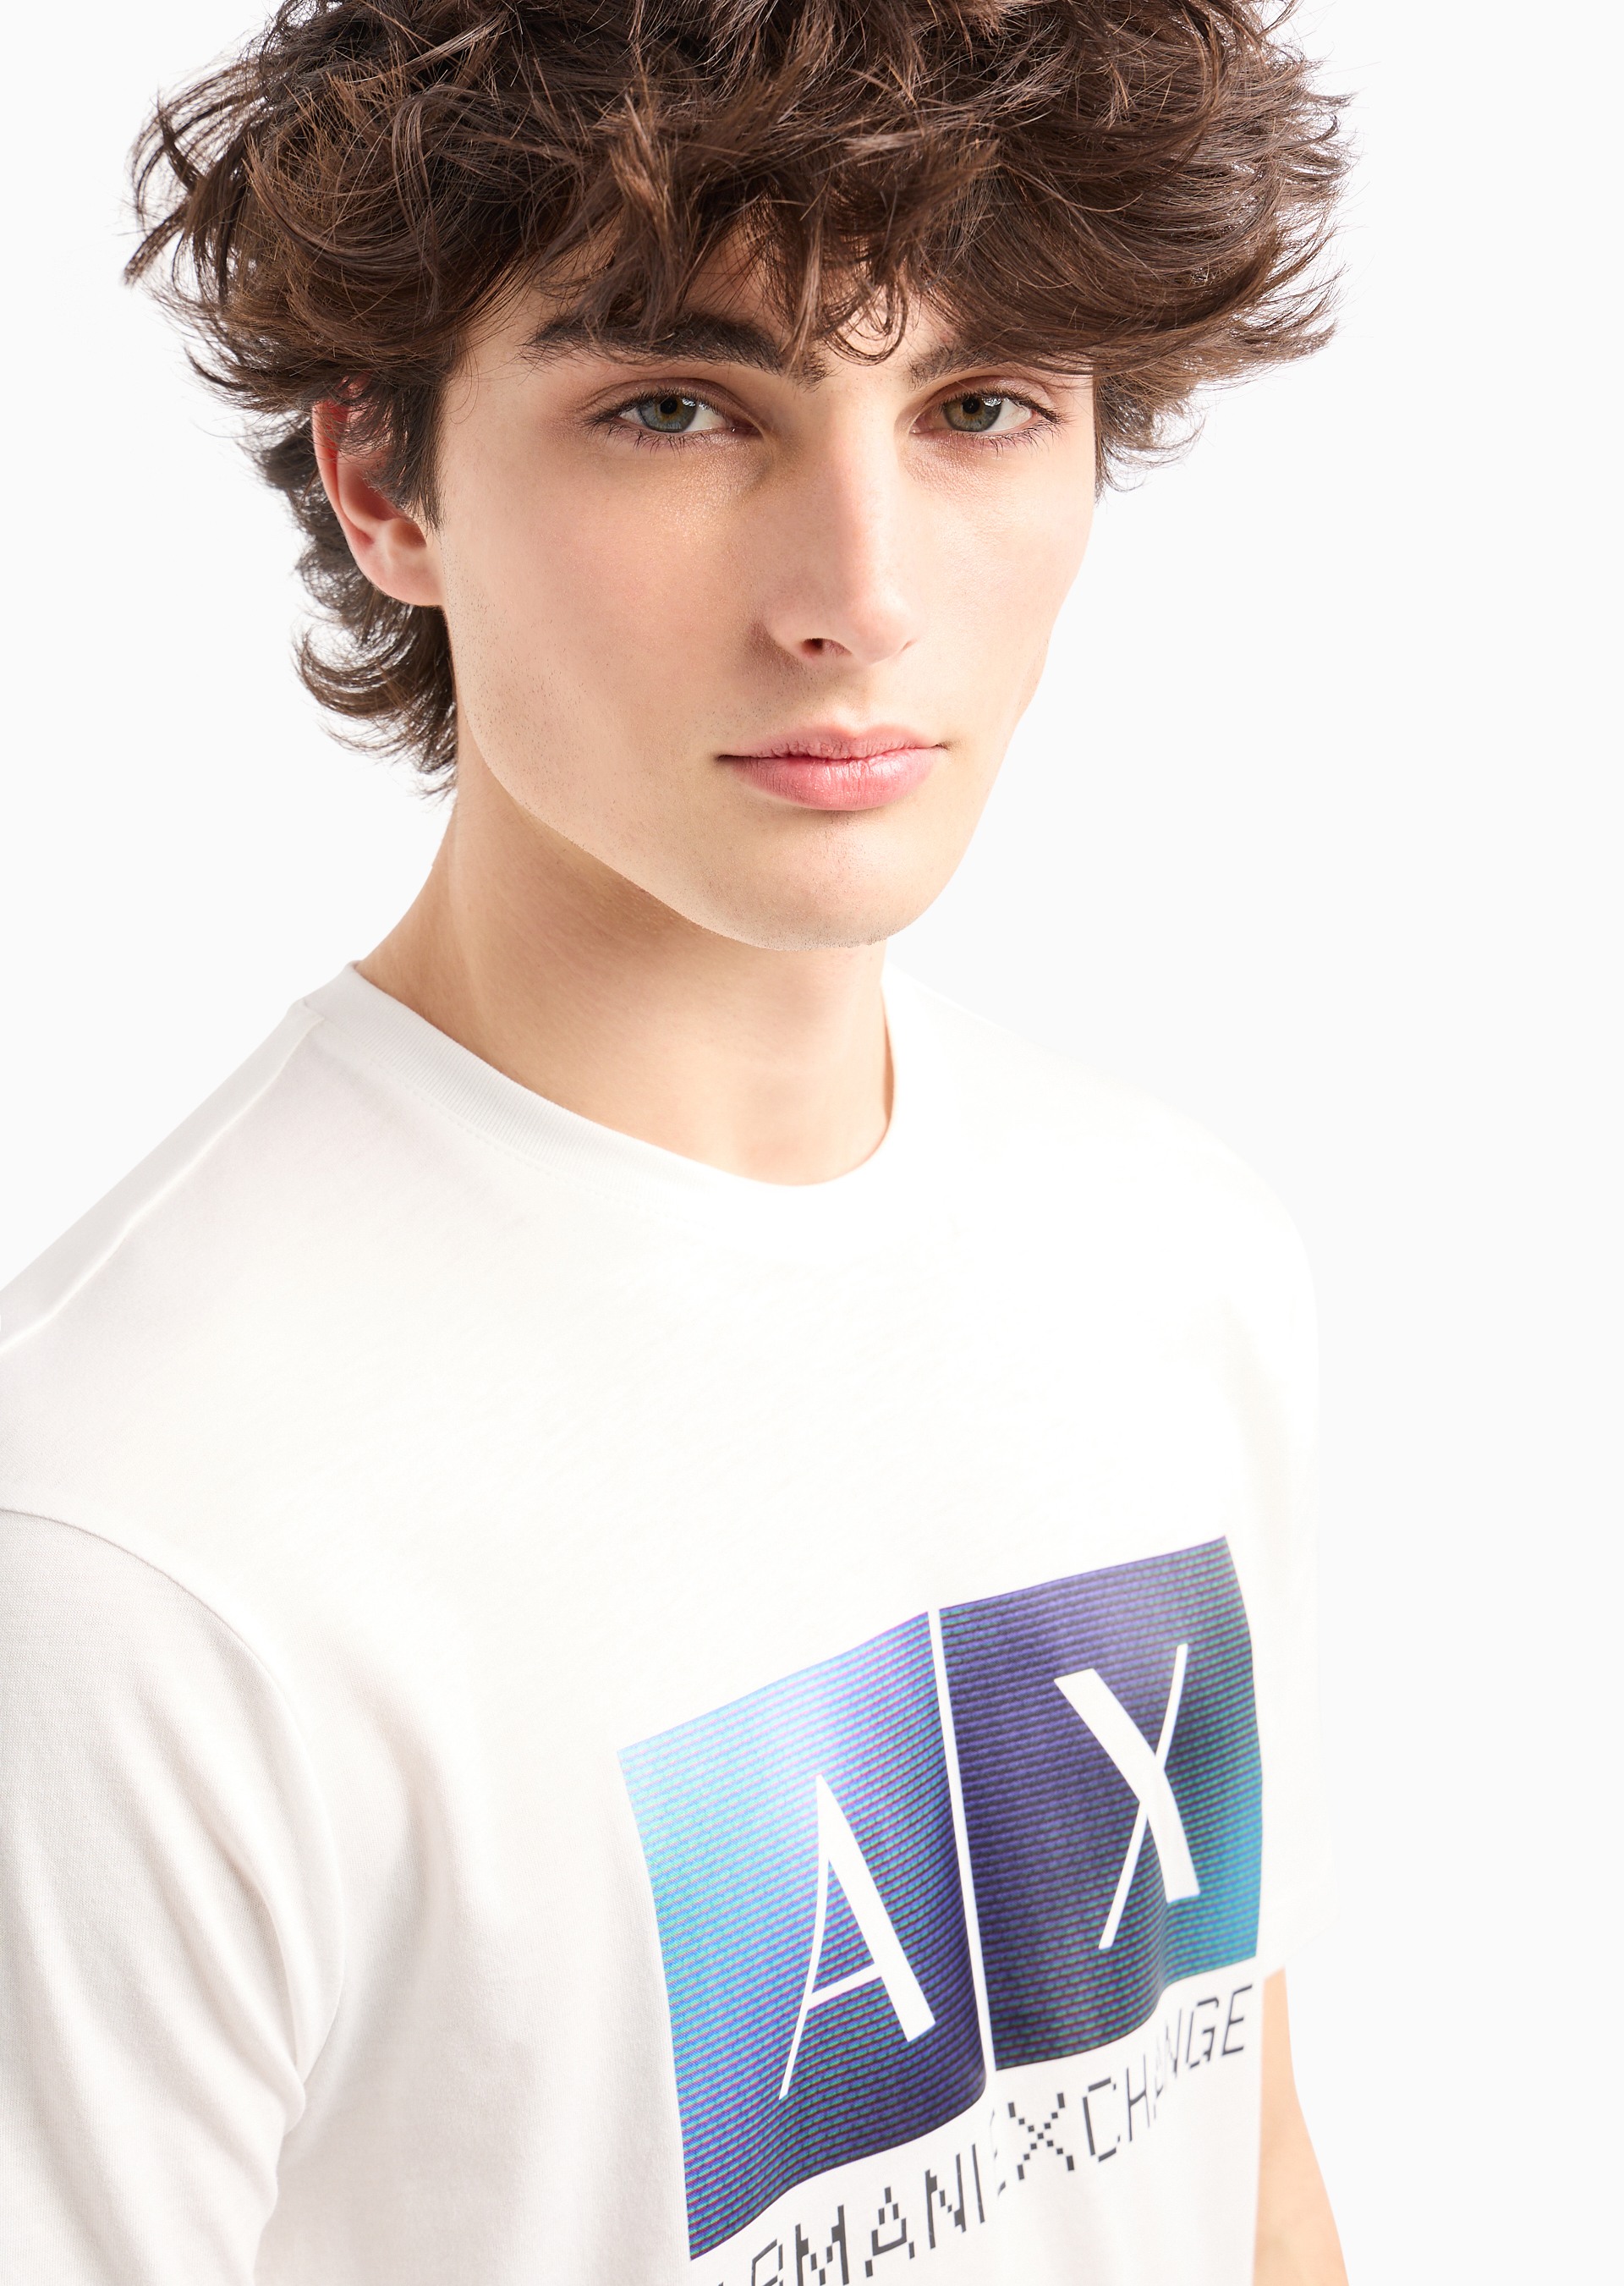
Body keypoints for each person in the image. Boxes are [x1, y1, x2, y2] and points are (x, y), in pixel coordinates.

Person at [0, 3, 1350, 2280]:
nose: (861, 595)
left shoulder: (1176, 1255)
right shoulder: (126, 1545)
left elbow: (1239, 2170)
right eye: (679, 409)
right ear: (385, 484)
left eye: (981, 408)